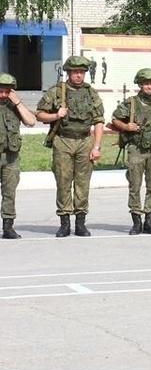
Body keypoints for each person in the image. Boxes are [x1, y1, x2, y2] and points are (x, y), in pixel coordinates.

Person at [36, 55, 104, 237]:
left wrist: (96, 147)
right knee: (63, 181)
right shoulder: (57, 91)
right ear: (68, 73)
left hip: (84, 141)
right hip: (63, 140)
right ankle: (64, 222)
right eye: (75, 72)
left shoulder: (91, 93)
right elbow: (39, 114)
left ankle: (80, 222)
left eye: (81, 72)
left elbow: (98, 122)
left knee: (83, 183)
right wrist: (56, 115)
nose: (78, 76)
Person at [111, 68, 151, 235]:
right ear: (140, 84)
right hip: (136, 149)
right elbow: (114, 119)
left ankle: (149, 221)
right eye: (146, 83)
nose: (149, 86)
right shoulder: (131, 103)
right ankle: (136, 221)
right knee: (134, 186)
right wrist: (126, 126)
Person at [0, 73, 37, 238]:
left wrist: (18, 102)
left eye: (7, 92)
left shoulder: (14, 106)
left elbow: (31, 121)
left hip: (11, 157)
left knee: (9, 192)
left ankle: (8, 227)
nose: (3, 95)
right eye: (0, 91)